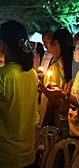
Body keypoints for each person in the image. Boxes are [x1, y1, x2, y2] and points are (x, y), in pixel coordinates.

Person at [0, 20, 39, 168]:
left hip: (6, 157)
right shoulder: (32, 75)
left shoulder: (3, 76)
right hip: (28, 156)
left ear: (3, 45)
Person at [38, 28, 74, 139]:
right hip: (73, 121)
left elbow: (54, 101)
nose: (47, 48)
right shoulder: (74, 63)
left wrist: (43, 125)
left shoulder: (57, 66)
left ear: (56, 43)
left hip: (59, 122)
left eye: (48, 44)